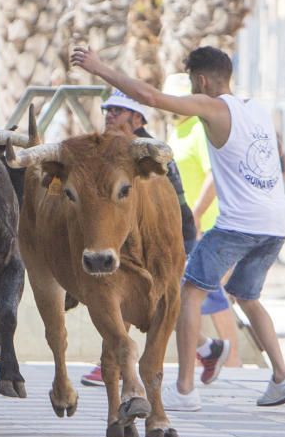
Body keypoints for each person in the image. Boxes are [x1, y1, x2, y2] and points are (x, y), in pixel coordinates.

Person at [72, 45, 285, 410]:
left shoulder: (213, 106)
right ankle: (282, 378)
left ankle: (185, 389)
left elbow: (150, 97)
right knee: (248, 298)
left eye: (193, 83)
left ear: (203, 80)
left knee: (187, 295)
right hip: (275, 223)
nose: (193, 90)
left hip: (238, 224)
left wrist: (98, 67)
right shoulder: (256, 108)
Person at [79, 89, 231, 389]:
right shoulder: (110, 149)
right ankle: (207, 349)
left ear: (137, 118)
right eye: (107, 111)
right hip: (128, 239)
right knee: (149, 302)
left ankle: (112, 362)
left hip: (165, 239)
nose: (110, 116)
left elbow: (169, 203)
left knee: (149, 300)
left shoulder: (150, 151)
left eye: (118, 112)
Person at [164, 72, 241, 370]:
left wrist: (194, 216)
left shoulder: (198, 128)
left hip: (206, 226)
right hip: (188, 228)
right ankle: (209, 356)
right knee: (201, 295)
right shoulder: (178, 130)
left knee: (211, 295)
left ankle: (231, 361)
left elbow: (214, 175)